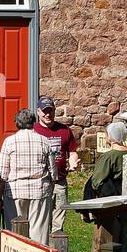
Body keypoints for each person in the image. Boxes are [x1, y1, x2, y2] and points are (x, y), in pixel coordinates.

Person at [0, 109, 56, 246]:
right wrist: (50, 190)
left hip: (15, 191)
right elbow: (53, 173)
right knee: (39, 233)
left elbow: (2, 175)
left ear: (17, 123)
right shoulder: (45, 141)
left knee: (15, 231)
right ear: (33, 122)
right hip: (39, 190)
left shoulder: (9, 142)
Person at [33, 97, 79, 233]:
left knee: (59, 216)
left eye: (50, 111)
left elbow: (72, 151)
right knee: (41, 217)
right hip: (41, 181)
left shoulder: (64, 130)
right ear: (38, 112)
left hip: (60, 181)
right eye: (44, 111)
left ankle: (57, 248)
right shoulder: (33, 130)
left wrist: (73, 162)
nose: (47, 114)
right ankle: (42, 246)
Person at [88, 121, 127, 197]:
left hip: (113, 193)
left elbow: (96, 181)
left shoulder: (108, 156)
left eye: (106, 134)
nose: (104, 137)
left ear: (110, 136)